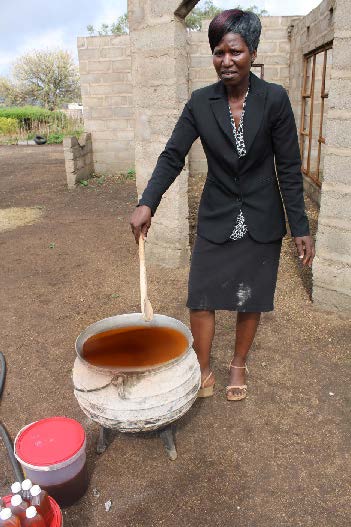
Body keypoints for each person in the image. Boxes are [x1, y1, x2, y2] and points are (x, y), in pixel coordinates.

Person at [130, 9, 315, 402]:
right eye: (218, 52)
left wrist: (299, 227)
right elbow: (172, 155)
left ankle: (237, 364)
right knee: (201, 294)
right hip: (217, 214)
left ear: (252, 52)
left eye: (235, 51)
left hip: (262, 216)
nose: (226, 61)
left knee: (251, 295)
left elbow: (289, 168)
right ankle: (202, 366)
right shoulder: (201, 102)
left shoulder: (275, 99)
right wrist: (149, 202)